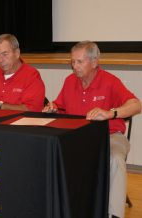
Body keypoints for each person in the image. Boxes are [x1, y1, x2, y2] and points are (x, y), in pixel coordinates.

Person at [43, 41, 141, 218]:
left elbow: (136, 105)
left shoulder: (110, 81)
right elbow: (60, 105)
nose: (74, 66)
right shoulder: (69, 81)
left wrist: (110, 113)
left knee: (114, 159)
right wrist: (53, 107)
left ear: (95, 62)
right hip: (76, 137)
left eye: (80, 62)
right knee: (50, 151)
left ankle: (113, 214)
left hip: (109, 136)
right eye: (72, 61)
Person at [0, 34, 45, 112]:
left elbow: (33, 110)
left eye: (5, 54)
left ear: (17, 53)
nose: (0, 60)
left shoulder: (31, 75)